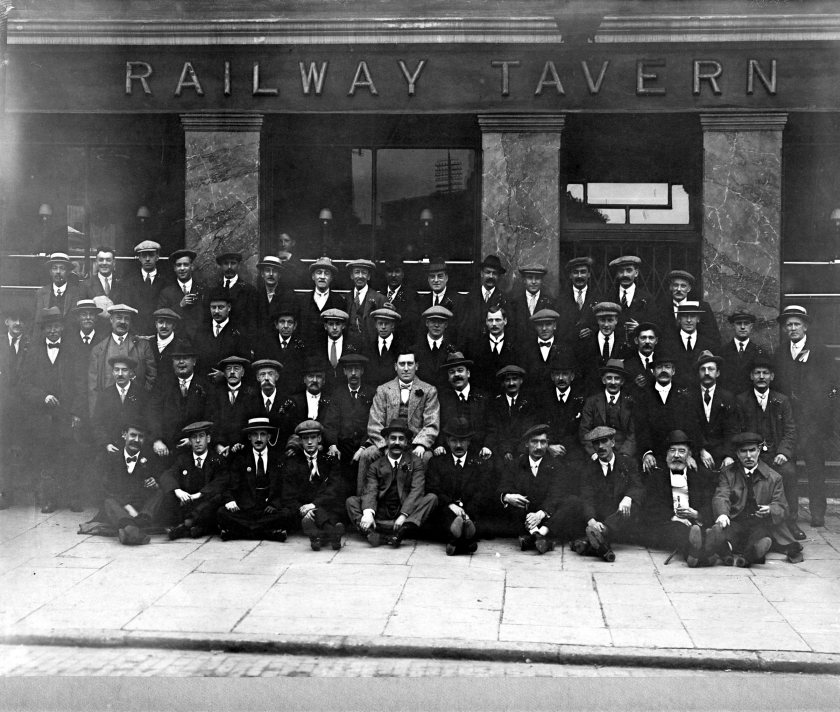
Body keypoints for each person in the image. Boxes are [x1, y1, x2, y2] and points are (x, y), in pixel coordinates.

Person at [773, 305, 839, 529]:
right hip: (789, 421)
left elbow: (831, 386)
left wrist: (821, 416)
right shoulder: (780, 353)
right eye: (789, 325)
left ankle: (817, 512)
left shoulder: (820, 352)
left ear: (805, 327)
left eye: (796, 324)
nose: (792, 328)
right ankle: (791, 512)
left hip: (813, 422)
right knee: (788, 468)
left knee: (815, 468)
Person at [19, 307, 86, 513]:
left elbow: (81, 384)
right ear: (43, 329)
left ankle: (73, 498)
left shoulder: (72, 351)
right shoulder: (33, 353)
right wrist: (43, 397)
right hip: (42, 417)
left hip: (66, 415)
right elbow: (23, 384)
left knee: (70, 456)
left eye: (56, 326)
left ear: (62, 328)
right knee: (47, 458)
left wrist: (76, 412)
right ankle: (49, 500)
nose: (53, 331)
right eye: (49, 327)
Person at [708, 431, 803, 566]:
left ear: (758, 451)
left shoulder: (774, 477)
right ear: (737, 453)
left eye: (752, 450)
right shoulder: (728, 473)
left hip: (759, 522)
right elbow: (721, 495)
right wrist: (722, 514)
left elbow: (782, 506)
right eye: (743, 451)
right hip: (736, 519)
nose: (748, 456)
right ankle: (726, 553)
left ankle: (749, 555)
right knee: (728, 533)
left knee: (760, 534)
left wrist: (770, 509)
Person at [735, 354, 803, 540]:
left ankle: (791, 521)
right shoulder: (741, 400)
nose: (761, 377)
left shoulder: (782, 400)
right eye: (757, 373)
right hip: (751, 456)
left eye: (765, 373)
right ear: (751, 376)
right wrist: (748, 454)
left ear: (772, 377)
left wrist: (783, 452)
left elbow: (790, 431)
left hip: (774, 455)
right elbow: (737, 431)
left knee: (789, 472)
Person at [347, 418, 438, 548]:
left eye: (401, 439)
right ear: (386, 440)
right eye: (393, 438)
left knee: (432, 498)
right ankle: (375, 532)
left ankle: (402, 530)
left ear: (406, 442)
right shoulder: (376, 465)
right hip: (381, 514)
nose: (397, 443)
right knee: (351, 501)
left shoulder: (415, 462)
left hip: (405, 514)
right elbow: (371, 490)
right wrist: (368, 513)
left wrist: (403, 515)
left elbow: (417, 490)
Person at [360, 348, 440, 495]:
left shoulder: (429, 390)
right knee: (367, 455)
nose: (406, 368)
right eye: (402, 364)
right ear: (395, 366)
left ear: (417, 366)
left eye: (410, 364)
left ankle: (417, 502)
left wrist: (422, 444)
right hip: (388, 442)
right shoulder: (383, 390)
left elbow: (432, 423)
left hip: (413, 444)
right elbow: (374, 423)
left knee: (427, 457)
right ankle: (363, 499)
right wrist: (385, 446)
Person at [497, 424, 581, 554]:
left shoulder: (557, 467)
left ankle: (538, 535)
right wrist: (507, 497)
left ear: (547, 443)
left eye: (543, 442)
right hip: (524, 515)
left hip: (546, 518)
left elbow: (556, 495)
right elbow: (502, 487)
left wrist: (540, 514)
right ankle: (540, 539)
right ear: (527, 444)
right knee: (513, 501)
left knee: (572, 501)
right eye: (534, 442)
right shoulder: (515, 465)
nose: (539, 447)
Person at [638, 430, 717, 567]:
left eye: (681, 451)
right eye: (672, 450)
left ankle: (696, 554)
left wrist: (696, 514)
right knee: (678, 530)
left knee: (703, 530)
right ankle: (702, 555)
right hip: (668, 524)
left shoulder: (701, 476)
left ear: (689, 454)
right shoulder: (656, 478)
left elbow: (709, 503)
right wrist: (673, 516)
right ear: (666, 454)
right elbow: (651, 507)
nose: (676, 455)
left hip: (695, 522)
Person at [425, 416, 495, 555]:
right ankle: (468, 542)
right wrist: (451, 505)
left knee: (471, 522)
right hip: (446, 510)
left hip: (471, 511)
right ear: (447, 441)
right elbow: (433, 488)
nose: (458, 445)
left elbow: (483, 492)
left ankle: (454, 542)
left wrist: (467, 513)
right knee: (445, 520)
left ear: (469, 441)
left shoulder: (480, 464)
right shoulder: (437, 463)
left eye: (462, 441)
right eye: (454, 440)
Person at [577, 426, 646, 562]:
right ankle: (597, 539)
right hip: (600, 518)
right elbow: (586, 498)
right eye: (596, 443)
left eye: (604, 441)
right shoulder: (587, 469)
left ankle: (597, 536)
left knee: (634, 503)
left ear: (613, 443)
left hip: (621, 517)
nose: (600, 447)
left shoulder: (627, 464)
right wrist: (592, 520)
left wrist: (628, 498)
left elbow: (638, 486)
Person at [216, 417, 289, 542]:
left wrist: (275, 504)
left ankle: (237, 533)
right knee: (221, 512)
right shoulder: (241, 458)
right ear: (249, 437)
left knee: (286, 513)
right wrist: (230, 500)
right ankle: (268, 533)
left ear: (269, 437)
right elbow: (231, 485)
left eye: (263, 434)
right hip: (245, 509)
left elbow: (284, 487)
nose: (259, 439)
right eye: (255, 434)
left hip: (267, 510)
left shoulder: (278, 458)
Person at [281, 420, 348, 551]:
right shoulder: (293, 463)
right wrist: (303, 509)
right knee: (290, 513)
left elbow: (333, 490)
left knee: (334, 509)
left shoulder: (330, 461)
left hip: (324, 506)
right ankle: (331, 533)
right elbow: (288, 495)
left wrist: (313, 506)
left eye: (313, 437)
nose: (310, 442)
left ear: (319, 439)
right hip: (302, 510)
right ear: (300, 441)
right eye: (305, 438)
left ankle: (316, 537)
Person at [98, 419, 164, 546]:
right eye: (133, 435)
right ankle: (134, 527)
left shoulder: (150, 458)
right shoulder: (112, 458)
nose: (136, 440)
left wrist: (154, 484)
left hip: (142, 509)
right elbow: (105, 489)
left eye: (141, 437)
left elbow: (159, 480)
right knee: (108, 502)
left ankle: (131, 529)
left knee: (160, 492)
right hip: (121, 507)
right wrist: (127, 507)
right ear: (124, 435)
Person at [161, 421, 230, 540]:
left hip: (207, 505)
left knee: (218, 497)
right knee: (168, 492)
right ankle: (198, 528)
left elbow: (221, 481)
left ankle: (187, 524)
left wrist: (198, 495)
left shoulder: (217, 459)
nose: (198, 441)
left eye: (201, 436)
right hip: (188, 505)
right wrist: (178, 491)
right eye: (194, 437)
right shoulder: (183, 459)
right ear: (190, 441)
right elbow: (166, 475)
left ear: (208, 439)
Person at [88, 303, 156, 417]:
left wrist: (141, 400)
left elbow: (151, 378)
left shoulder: (143, 346)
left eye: (127, 319)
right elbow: (93, 388)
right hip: (107, 412)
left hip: (135, 412)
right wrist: (96, 417)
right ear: (111, 319)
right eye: (119, 318)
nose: (123, 322)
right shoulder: (98, 350)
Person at [147, 340, 211, 458]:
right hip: (166, 448)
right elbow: (153, 412)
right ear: (172, 362)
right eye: (177, 358)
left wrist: (192, 439)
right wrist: (157, 440)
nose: (181, 362)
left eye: (185, 358)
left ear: (194, 361)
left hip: (195, 448)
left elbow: (210, 416)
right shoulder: (162, 385)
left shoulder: (205, 386)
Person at [637, 349, 697, 472]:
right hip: (654, 454)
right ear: (653, 372)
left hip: (680, 454)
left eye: (667, 367)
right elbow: (641, 428)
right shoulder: (644, 396)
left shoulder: (684, 395)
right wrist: (647, 453)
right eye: (659, 367)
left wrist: (689, 454)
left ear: (673, 371)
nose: (663, 370)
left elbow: (692, 426)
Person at [321, 352, 375, 469]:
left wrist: (363, 448)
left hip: (364, 446)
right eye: (350, 370)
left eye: (357, 369)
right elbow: (330, 424)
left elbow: (374, 424)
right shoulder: (337, 394)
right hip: (342, 448)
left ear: (362, 371)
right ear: (344, 371)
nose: (353, 373)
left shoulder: (372, 394)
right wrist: (332, 445)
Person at [434, 351, 491, 460]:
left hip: (480, 451)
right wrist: (440, 445)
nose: (456, 375)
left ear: (468, 373)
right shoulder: (441, 399)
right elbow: (438, 425)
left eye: (460, 370)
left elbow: (492, 426)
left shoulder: (483, 398)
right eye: (452, 372)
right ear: (448, 377)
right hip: (450, 452)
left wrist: (487, 446)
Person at [0, 306, 30, 509]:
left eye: (21, 320)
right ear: (6, 322)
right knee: (2, 450)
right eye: (14, 319)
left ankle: (23, 496)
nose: (18, 323)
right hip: (2, 407)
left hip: (24, 408)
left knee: (22, 450)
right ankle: (4, 493)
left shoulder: (31, 345)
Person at [541, 351, 587, 484]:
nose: (561, 378)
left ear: (572, 376)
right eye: (557, 374)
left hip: (576, 455)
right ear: (552, 376)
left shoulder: (582, 399)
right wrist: (548, 446)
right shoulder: (543, 399)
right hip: (549, 452)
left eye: (565, 374)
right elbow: (537, 427)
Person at [579, 358, 638, 460]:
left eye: (617, 378)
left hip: (623, 453)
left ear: (622, 381)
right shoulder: (591, 402)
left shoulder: (630, 402)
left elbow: (633, 434)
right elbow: (584, 431)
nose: (613, 382)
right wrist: (594, 454)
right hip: (598, 452)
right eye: (609, 378)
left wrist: (625, 455)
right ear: (603, 380)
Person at [690, 351, 738, 473]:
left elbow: (732, 430)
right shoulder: (690, 398)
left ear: (718, 373)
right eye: (703, 369)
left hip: (722, 454)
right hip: (698, 454)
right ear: (698, 373)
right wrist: (701, 450)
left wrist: (729, 456)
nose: (707, 373)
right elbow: (690, 427)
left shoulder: (728, 398)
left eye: (711, 369)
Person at [91, 356, 150, 455]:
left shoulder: (142, 394)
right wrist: (106, 443)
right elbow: (97, 423)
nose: (120, 374)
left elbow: (147, 422)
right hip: (110, 447)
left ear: (131, 373)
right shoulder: (104, 394)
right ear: (112, 372)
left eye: (124, 370)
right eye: (116, 370)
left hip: (135, 448)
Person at [206, 355, 261, 458]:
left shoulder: (252, 395)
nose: (232, 372)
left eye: (236, 368)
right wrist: (218, 444)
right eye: (228, 369)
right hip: (220, 450)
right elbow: (212, 422)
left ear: (243, 373)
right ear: (224, 373)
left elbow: (254, 424)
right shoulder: (215, 394)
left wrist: (242, 444)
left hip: (244, 450)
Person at [193, 287, 251, 382]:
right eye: (213, 307)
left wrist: (225, 375)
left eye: (220, 307)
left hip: (228, 385)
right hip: (203, 384)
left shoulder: (239, 332)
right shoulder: (201, 331)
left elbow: (245, 364)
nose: (216, 311)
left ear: (229, 307)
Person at [486, 365, 538, 466]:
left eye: (514, 379)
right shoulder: (495, 403)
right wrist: (506, 451)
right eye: (507, 380)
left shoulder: (529, 403)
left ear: (521, 381)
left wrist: (522, 452)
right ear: (502, 383)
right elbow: (495, 430)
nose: (511, 383)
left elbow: (528, 430)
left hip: (523, 450)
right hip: (501, 451)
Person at [464, 306, 520, 394]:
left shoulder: (516, 346)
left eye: (498, 320)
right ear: (486, 322)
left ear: (505, 321)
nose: (494, 324)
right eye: (490, 320)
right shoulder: (475, 346)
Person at [253, 301, 306, 395]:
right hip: (271, 392)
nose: (286, 326)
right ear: (276, 325)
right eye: (282, 322)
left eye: (290, 322)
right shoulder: (265, 345)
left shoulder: (302, 346)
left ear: (295, 326)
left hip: (294, 393)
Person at [574, 302, 627, 395]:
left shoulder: (624, 343)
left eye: (610, 320)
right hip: (591, 394)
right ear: (597, 320)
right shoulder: (586, 342)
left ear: (616, 320)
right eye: (602, 320)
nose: (606, 325)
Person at [157, 249, 209, 341]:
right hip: (175, 342)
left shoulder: (203, 290)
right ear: (174, 268)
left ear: (192, 267)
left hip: (199, 341)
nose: (182, 268)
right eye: (178, 265)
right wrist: (180, 305)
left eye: (185, 265)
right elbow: (161, 317)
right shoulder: (166, 292)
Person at [457, 255, 510, 346]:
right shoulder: (469, 298)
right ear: (482, 274)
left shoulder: (505, 299)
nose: (491, 276)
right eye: (487, 272)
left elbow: (509, 330)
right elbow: (462, 329)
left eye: (494, 273)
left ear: (499, 276)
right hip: (472, 350)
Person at [659, 270, 720, 346]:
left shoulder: (702, 307)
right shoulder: (661, 308)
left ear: (689, 288)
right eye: (675, 285)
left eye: (683, 286)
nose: (679, 289)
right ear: (670, 287)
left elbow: (714, 337)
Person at [607, 255, 656, 348]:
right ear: (617, 274)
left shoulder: (648, 299)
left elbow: (655, 326)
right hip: (614, 350)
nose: (625, 275)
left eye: (629, 270)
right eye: (621, 271)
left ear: (636, 273)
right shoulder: (609, 298)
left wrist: (640, 328)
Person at [123, 240, 170, 337]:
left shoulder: (166, 282)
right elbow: (127, 310)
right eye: (144, 256)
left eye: (151, 255)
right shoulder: (129, 282)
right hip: (135, 334)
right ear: (139, 258)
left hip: (159, 334)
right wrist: (134, 333)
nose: (147, 259)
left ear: (157, 257)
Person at [296, 257, 347, 345]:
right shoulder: (303, 300)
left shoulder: (339, 301)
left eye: (326, 273)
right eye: (319, 272)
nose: (322, 277)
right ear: (313, 276)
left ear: (331, 278)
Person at [667, 302, 718, 389]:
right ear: (679, 319)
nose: (689, 320)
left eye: (693, 316)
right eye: (685, 316)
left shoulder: (709, 344)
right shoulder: (669, 344)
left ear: (698, 319)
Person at [508, 263, 561, 346]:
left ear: (542, 280)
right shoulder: (514, 303)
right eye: (530, 278)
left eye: (537, 278)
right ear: (524, 280)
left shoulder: (551, 302)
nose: (533, 282)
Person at [719, 309, 769, 396]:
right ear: (733, 326)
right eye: (739, 323)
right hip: (728, 399)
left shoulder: (760, 352)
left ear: (751, 326)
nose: (742, 327)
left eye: (746, 323)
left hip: (751, 399)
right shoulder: (722, 352)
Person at [521, 309, 568, 396]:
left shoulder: (565, 348)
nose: (544, 328)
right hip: (532, 396)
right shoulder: (526, 349)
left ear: (554, 326)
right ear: (535, 327)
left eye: (548, 324)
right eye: (540, 325)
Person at [557, 256, 603, 343]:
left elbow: (604, 324)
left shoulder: (598, 298)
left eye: (583, 272)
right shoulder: (561, 300)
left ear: (589, 274)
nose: (579, 276)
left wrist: (592, 331)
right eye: (575, 272)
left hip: (590, 347)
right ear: (570, 275)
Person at [417, 259, 464, 343]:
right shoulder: (422, 301)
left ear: (446, 278)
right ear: (428, 279)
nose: (436, 280)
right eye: (432, 276)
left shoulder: (458, 300)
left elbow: (461, 332)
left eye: (440, 276)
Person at [411, 305, 455, 392]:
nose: (436, 325)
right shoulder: (414, 350)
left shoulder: (453, 350)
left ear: (446, 325)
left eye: (440, 322)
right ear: (427, 323)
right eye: (433, 321)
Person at [360, 306, 405, 388]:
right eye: (380, 323)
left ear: (393, 325)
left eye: (386, 323)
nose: (383, 327)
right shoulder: (368, 347)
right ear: (375, 325)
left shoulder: (401, 347)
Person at [216, 251, 257, 339]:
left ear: (239, 265)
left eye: (233, 263)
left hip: (241, 340)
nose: (229, 267)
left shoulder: (249, 290)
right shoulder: (214, 290)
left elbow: (253, 321)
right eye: (226, 263)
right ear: (221, 266)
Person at [346, 258, 386, 345]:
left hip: (370, 348)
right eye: (357, 272)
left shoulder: (380, 299)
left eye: (364, 272)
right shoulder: (346, 299)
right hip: (349, 348)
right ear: (351, 275)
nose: (360, 276)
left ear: (369, 276)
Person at [34, 252, 83, 322]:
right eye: (54, 268)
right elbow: (37, 321)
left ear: (68, 272)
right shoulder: (41, 293)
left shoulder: (77, 293)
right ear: (50, 272)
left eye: (62, 268)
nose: (58, 272)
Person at [381, 255, 420, 341]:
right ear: (385, 274)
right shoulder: (380, 294)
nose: (393, 275)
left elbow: (414, 320)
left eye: (397, 271)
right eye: (390, 271)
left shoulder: (412, 295)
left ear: (403, 274)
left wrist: (396, 312)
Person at [255, 255, 291, 338]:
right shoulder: (256, 296)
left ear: (279, 275)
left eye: (274, 271)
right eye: (267, 270)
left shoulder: (288, 296)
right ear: (262, 274)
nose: (271, 274)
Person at [317, 308, 350, 393]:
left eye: (338, 324)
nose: (334, 328)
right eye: (331, 324)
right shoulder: (318, 345)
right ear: (325, 326)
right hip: (324, 391)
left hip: (345, 392)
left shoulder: (351, 345)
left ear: (343, 326)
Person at [623, 322, 660, 391]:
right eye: (643, 338)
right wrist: (635, 384)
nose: (647, 342)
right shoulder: (627, 364)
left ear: (656, 341)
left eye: (651, 338)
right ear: (636, 340)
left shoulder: (661, 361)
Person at [148, 307, 181, 374]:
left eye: (168, 323)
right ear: (156, 324)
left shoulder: (180, 346)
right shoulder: (148, 343)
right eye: (161, 322)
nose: (164, 326)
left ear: (174, 326)